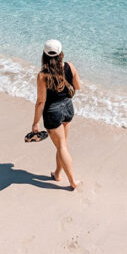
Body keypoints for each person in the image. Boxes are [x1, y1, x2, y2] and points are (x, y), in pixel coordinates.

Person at [31, 39, 81, 190]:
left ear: (44, 55)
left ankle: (72, 182)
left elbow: (41, 102)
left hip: (53, 112)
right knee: (62, 145)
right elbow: (77, 86)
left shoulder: (42, 75)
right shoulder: (69, 66)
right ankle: (57, 173)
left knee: (62, 147)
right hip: (68, 108)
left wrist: (35, 123)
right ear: (60, 54)